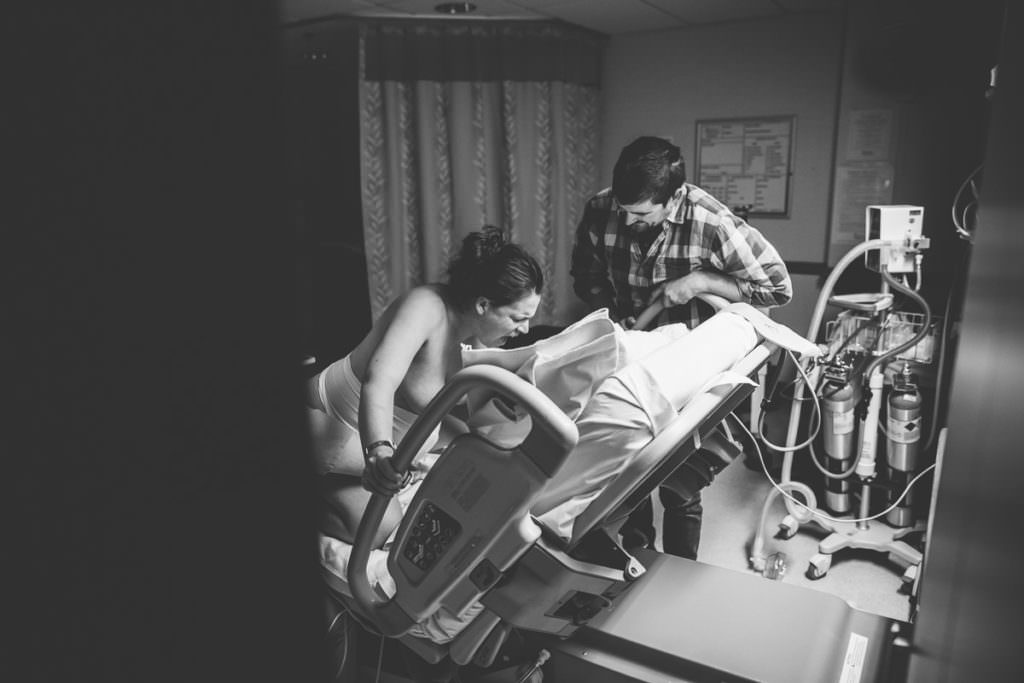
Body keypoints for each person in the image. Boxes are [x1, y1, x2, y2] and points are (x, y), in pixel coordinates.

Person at [570, 135, 792, 559]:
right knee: (626, 467)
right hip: (636, 349)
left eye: (641, 214)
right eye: (623, 210)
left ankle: (678, 566)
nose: (627, 221)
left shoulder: (711, 222)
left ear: (673, 199)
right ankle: (635, 554)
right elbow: (587, 276)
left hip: (692, 360)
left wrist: (701, 281)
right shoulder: (601, 208)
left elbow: (778, 288)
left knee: (679, 480)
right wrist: (613, 318)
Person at [307, 226, 544, 548]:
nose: (525, 328)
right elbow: (379, 382)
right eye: (518, 318)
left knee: (485, 458)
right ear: (483, 304)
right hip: (331, 422)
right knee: (380, 529)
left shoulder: (480, 338)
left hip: (401, 433)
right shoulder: (425, 307)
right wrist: (379, 450)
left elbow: (465, 408)